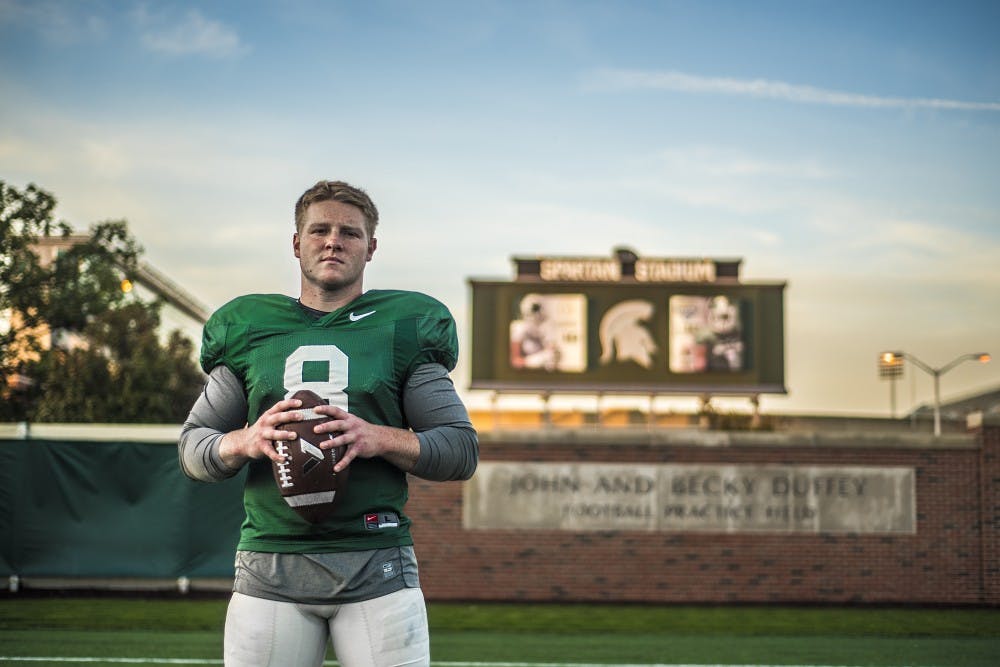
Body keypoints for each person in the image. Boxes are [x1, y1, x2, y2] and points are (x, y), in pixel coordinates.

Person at [178, 180, 478, 667]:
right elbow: (195, 449)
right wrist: (247, 440)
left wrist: (375, 436)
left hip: (375, 560)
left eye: (350, 232)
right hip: (270, 563)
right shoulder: (250, 328)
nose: (333, 241)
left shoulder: (405, 326)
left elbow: (459, 451)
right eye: (319, 230)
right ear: (297, 244)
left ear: (371, 247)